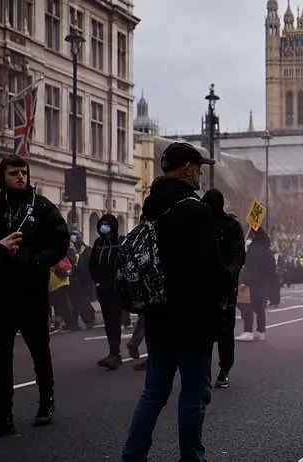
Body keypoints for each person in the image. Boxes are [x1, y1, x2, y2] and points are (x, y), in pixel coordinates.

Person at [120, 142, 222, 462]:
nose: (200, 174)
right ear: (187, 168)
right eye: (198, 168)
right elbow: (211, 268)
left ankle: (133, 455)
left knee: (154, 393)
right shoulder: (197, 210)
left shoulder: (151, 206)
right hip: (192, 318)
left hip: (159, 316)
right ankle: (192, 458)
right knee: (193, 395)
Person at [0, 156, 70, 437]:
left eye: (23, 172)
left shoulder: (42, 207)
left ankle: (46, 403)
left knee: (39, 350)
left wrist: (36, 261)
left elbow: (61, 240)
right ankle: (3, 416)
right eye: (14, 173)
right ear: (3, 176)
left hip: (33, 292)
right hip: (1, 294)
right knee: (0, 356)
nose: (21, 177)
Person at [202, 189, 245, 388]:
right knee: (205, 333)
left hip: (225, 287)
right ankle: (205, 372)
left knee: (225, 332)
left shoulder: (231, 226)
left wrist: (229, 272)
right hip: (205, 286)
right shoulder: (201, 225)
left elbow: (239, 256)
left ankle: (224, 369)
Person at [91, 214, 125, 370]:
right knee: (107, 321)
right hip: (102, 288)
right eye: (102, 224)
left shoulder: (119, 243)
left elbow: (124, 264)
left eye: (107, 224)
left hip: (116, 289)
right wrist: (97, 281)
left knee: (114, 321)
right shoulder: (98, 243)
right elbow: (92, 264)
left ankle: (115, 354)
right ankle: (111, 353)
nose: (103, 227)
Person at [236, 227, 274, 342]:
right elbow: (271, 268)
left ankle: (248, 331)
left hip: (251, 282)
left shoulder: (253, 249)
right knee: (259, 307)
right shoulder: (267, 249)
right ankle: (261, 331)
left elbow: (249, 267)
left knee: (246, 305)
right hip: (262, 283)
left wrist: (244, 282)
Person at [67, 230, 96, 330]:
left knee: (83, 302)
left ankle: (89, 320)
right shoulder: (69, 250)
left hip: (85, 280)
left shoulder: (87, 249)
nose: (74, 237)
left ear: (80, 237)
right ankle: (74, 324)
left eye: (76, 235)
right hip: (73, 280)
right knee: (74, 302)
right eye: (72, 235)